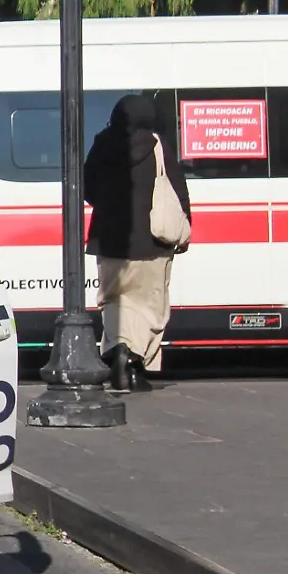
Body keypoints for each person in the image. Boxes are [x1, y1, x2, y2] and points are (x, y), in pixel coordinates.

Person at [85, 94, 190, 393]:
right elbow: (178, 192)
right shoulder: (159, 148)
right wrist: (184, 231)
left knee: (116, 302)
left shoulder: (102, 143)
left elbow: (87, 186)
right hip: (152, 245)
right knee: (148, 307)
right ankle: (134, 363)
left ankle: (119, 356)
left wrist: (109, 206)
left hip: (110, 243)